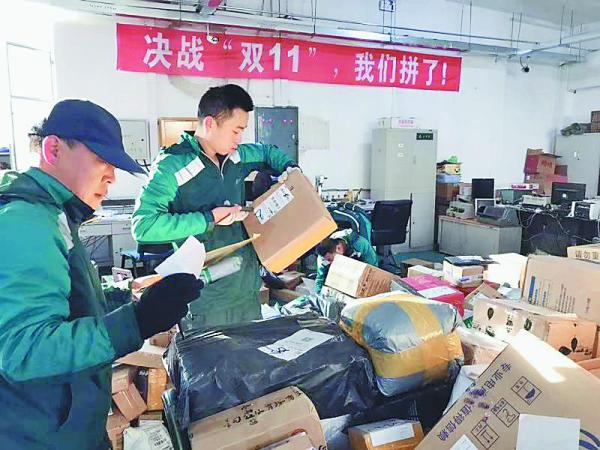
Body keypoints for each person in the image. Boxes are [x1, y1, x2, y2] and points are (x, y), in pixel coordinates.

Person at [0, 99, 203, 449]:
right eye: (101, 160)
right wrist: (136, 321)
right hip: (40, 437)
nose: (111, 176)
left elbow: (68, 302)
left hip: (66, 428)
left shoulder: (53, 216)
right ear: (53, 149)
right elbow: (23, 350)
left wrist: (127, 296)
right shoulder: (27, 223)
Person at [132, 84, 299, 332]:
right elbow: (144, 227)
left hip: (246, 292)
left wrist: (290, 168)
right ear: (210, 123)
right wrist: (208, 219)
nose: (239, 139)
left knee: (252, 354)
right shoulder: (172, 166)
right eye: (235, 131)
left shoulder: (236, 157)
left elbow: (267, 152)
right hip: (206, 301)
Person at [315, 228, 378, 293]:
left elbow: (373, 267)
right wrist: (319, 294)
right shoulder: (323, 258)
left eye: (331, 260)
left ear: (338, 248)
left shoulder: (359, 244)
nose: (331, 263)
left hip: (361, 274)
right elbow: (320, 279)